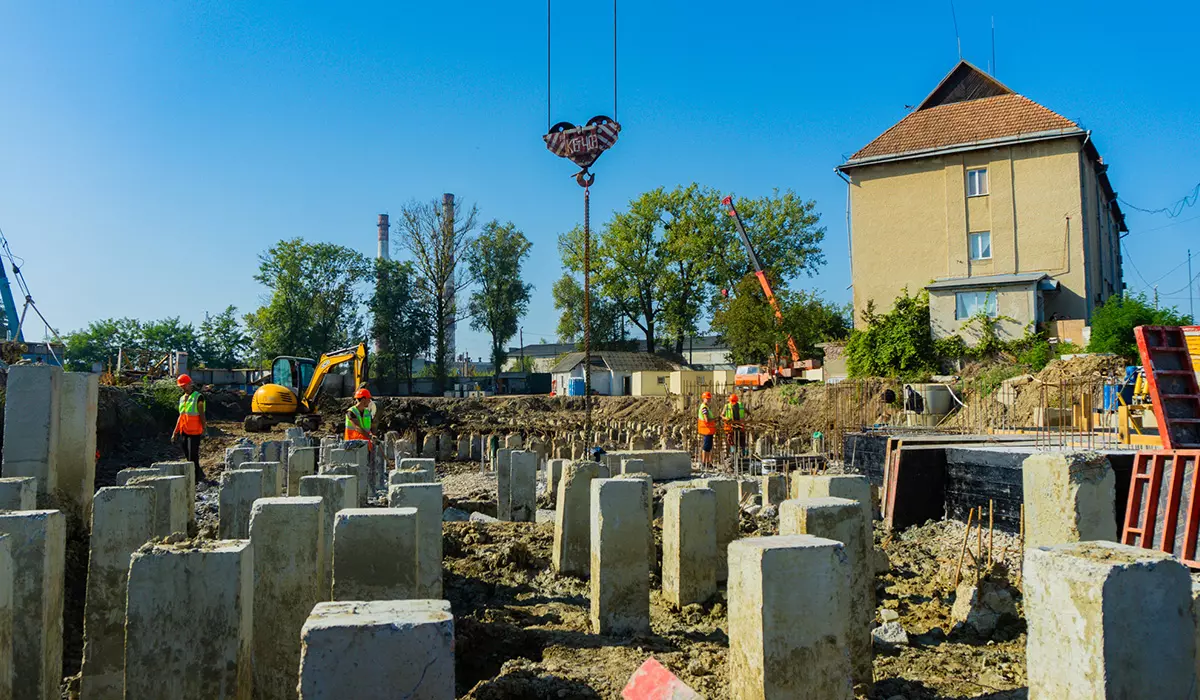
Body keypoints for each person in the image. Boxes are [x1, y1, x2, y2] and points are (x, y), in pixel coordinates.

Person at [171, 374, 206, 486]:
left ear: (189, 384)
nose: (182, 387)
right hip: (184, 431)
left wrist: (205, 428)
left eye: (184, 385)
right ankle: (199, 475)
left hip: (195, 431)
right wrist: (175, 432)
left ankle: (195, 479)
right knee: (188, 456)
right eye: (181, 386)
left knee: (192, 456)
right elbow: (181, 416)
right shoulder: (182, 399)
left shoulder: (198, 397)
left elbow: (201, 414)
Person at [722, 392, 748, 458]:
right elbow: (721, 415)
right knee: (732, 440)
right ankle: (733, 454)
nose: (733, 403)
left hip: (740, 425)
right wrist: (726, 418)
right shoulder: (727, 406)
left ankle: (743, 454)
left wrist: (746, 417)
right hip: (730, 426)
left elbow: (747, 411)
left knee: (741, 439)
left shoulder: (740, 405)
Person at [697, 391, 716, 468]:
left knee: (708, 447)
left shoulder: (706, 407)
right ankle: (704, 462)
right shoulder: (704, 407)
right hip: (706, 430)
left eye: (709, 398)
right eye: (707, 398)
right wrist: (714, 419)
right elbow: (706, 419)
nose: (708, 400)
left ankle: (707, 462)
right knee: (706, 447)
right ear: (703, 399)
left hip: (709, 430)